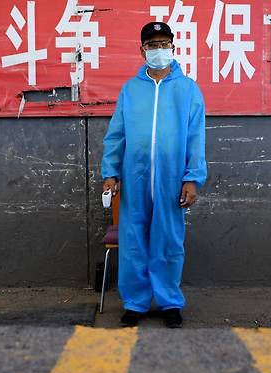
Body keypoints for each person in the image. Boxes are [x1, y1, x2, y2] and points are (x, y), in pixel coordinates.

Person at [101, 21, 207, 328]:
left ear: (173, 47)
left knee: (169, 240)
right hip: (135, 178)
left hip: (171, 180)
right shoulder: (131, 90)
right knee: (133, 240)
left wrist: (192, 178)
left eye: (164, 44)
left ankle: (168, 302)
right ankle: (134, 303)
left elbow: (195, 137)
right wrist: (110, 173)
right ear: (142, 50)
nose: (158, 50)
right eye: (152, 45)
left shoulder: (187, 89)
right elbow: (116, 134)